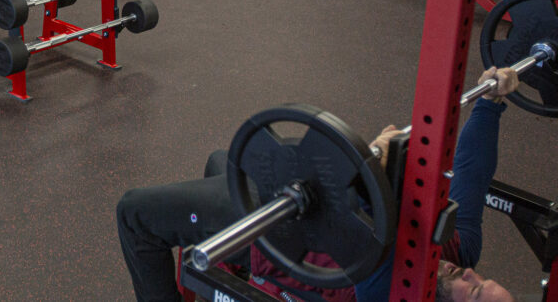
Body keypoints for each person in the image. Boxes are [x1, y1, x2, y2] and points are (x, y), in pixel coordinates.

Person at [116, 66, 520, 302]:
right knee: (222, 162)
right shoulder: (459, 250)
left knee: (135, 213)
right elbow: (471, 173)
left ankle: (244, 258)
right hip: (305, 211)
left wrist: (373, 162)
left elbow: (366, 232)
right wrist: (491, 104)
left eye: (475, 292)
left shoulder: (397, 295)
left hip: (287, 230)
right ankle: (234, 262)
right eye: (482, 278)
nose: (469, 273)